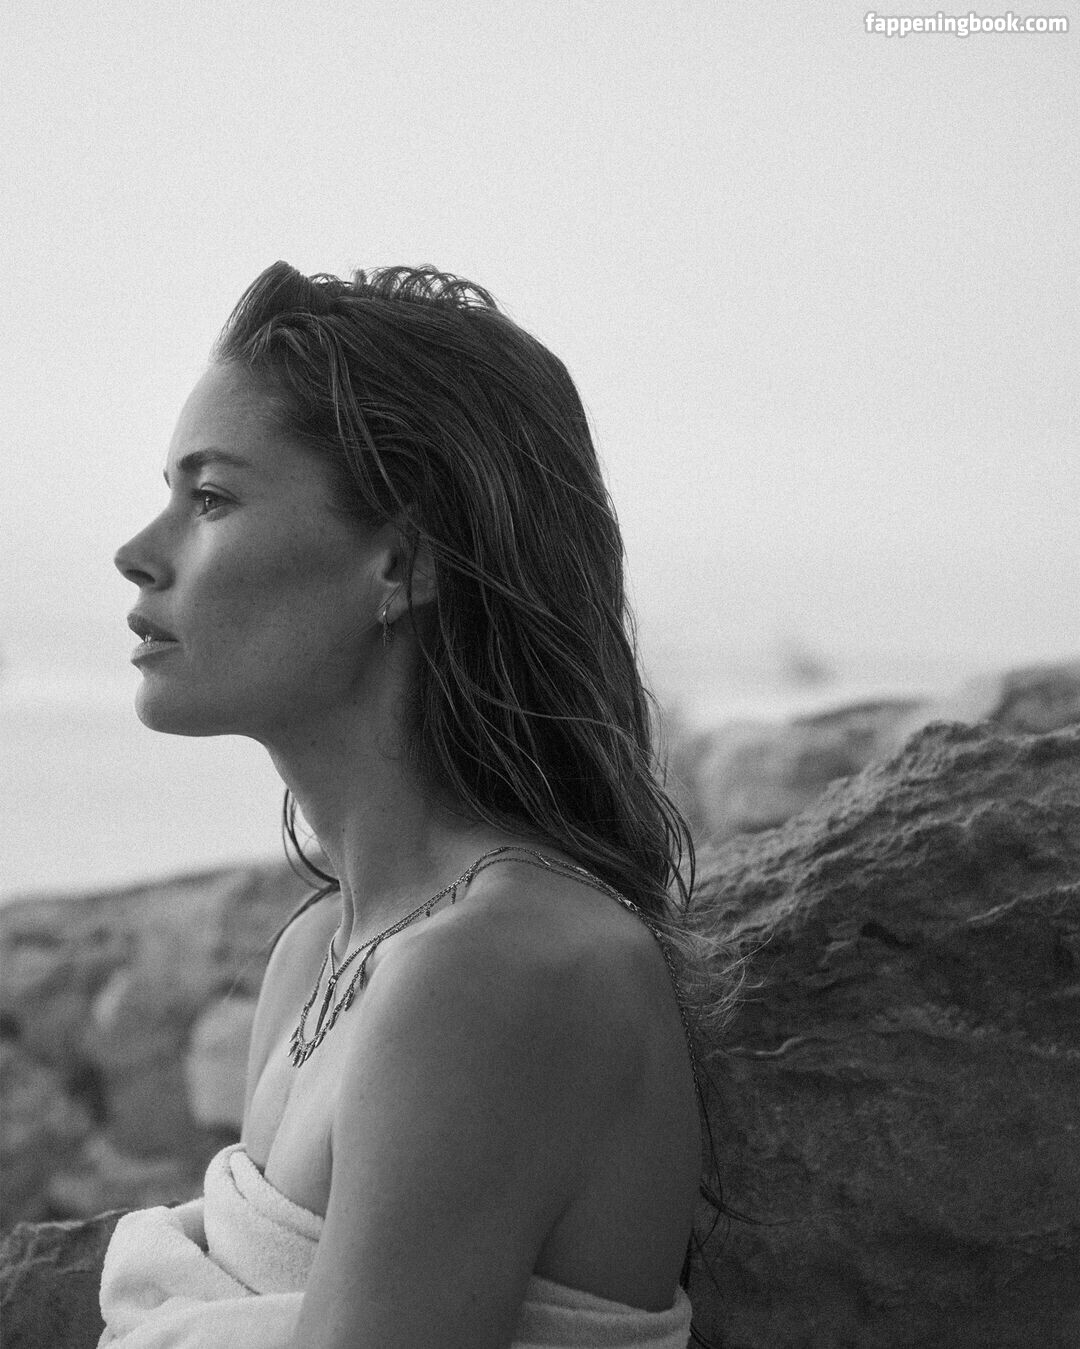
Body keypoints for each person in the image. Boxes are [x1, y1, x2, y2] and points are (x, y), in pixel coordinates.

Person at [102, 262, 728, 1349]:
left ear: (400, 563)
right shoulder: (319, 952)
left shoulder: (501, 968)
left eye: (210, 499)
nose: (137, 555)